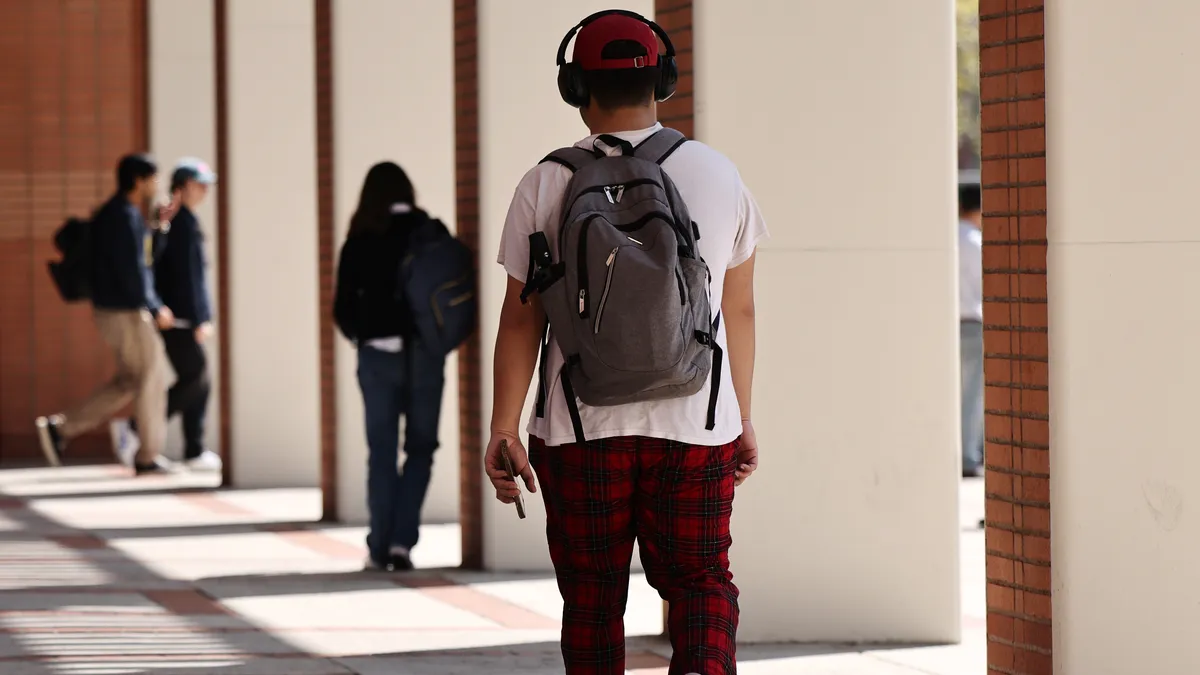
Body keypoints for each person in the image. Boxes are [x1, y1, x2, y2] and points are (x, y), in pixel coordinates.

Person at [485, 11, 766, 674]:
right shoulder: (719, 174)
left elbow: (521, 319)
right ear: (662, 81)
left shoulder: (545, 182)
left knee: (591, 595)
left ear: (575, 86)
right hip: (697, 423)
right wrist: (741, 416)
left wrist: (503, 428)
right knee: (701, 582)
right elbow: (741, 308)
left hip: (581, 426)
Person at [333, 162, 447, 572]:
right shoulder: (429, 231)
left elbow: (341, 309)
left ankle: (378, 545)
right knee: (420, 448)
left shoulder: (360, 238)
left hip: (377, 356)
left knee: (380, 452)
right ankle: (402, 542)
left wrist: (365, 336)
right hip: (424, 358)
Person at [36, 153, 177, 476]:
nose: (156, 185)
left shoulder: (120, 215)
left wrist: (159, 227)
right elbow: (135, 271)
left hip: (114, 311)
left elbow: (141, 261)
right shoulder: (122, 216)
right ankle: (148, 455)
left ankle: (60, 428)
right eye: (154, 178)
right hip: (126, 312)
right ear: (139, 180)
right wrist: (155, 307)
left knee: (130, 381)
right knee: (151, 379)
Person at [118, 158, 221, 471]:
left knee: (199, 379)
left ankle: (193, 449)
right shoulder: (180, 222)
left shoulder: (180, 220)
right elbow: (186, 276)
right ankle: (139, 427)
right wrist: (201, 317)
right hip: (177, 316)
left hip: (181, 314)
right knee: (195, 377)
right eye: (200, 184)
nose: (204, 191)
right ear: (185, 186)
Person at [958, 170, 985, 478]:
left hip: (948, 323)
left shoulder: (947, 237)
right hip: (972, 324)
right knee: (973, 394)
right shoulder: (974, 241)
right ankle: (968, 455)